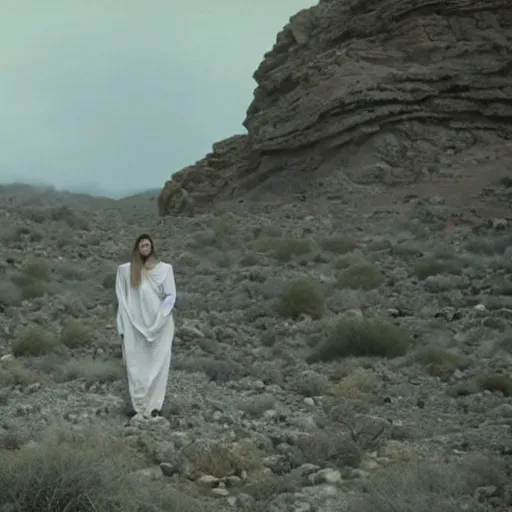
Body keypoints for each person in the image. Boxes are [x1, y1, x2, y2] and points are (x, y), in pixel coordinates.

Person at [115, 233, 176, 418]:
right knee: (137, 365)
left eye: (148, 245)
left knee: (158, 364)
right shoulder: (126, 271)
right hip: (135, 326)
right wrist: (123, 324)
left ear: (152, 247)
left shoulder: (164, 269)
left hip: (160, 326)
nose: (145, 247)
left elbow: (170, 296)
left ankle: (154, 406)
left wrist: (160, 319)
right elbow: (122, 297)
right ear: (137, 248)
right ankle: (140, 406)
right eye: (142, 245)